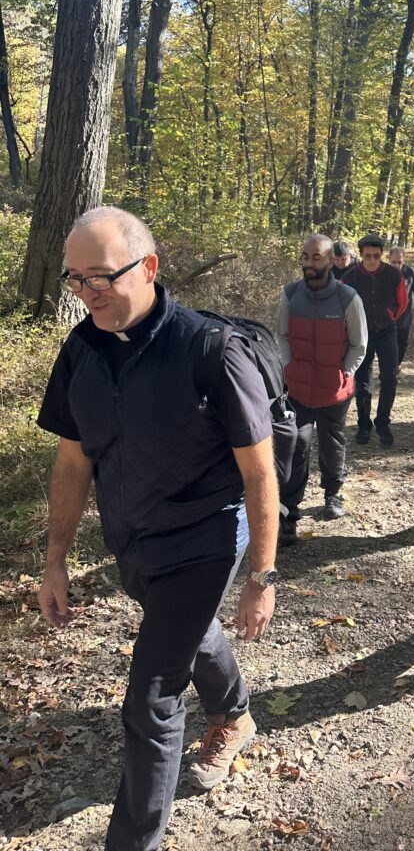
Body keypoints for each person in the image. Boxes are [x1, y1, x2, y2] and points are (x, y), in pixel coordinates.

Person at [36, 207, 280, 851]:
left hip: (204, 537)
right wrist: (55, 557)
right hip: (132, 537)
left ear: (148, 268)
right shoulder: (82, 349)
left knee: (151, 695)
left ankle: (132, 841)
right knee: (191, 632)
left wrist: (261, 573)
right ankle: (234, 713)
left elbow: (259, 475)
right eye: (76, 279)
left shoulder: (211, 351)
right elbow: (73, 456)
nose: (88, 293)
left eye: (102, 277)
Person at [276, 234, 367, 543]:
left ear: (330, 261)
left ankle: (332, 494)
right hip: (298, 390)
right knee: (296, 446)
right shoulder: (290, 295)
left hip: (334, 391)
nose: (309, 263)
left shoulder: (348, 298)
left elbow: (359, 344)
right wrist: (287, 367)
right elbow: (282, 337)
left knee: (332, 444)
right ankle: (289, 512)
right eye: (305, 257)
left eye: (316, 257)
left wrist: (345, 372)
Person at [341, 233, 408, 446]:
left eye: (376, 256)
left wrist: (391, 315)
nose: (372, 260)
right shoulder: (349, 278)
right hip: (361, 335)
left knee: (389, 378)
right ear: (360, 256)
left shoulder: (394, 275)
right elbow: (342, 305)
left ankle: (383, 424)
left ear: (382, 256)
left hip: (387, 332)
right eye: (368, 256)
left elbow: (403, 302)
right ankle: (363, 426)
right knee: (362, 381)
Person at [388, 246, 414, 368]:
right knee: (388, 345)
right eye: (394, 262)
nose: (397, 265)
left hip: (404, 317)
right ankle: (389, 369)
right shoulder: (383, 272)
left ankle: (395, 366)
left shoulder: (410, 272)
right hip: (386, 317)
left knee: (401, 345)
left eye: (400, 262)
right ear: (389, 258)